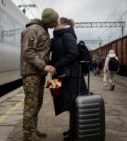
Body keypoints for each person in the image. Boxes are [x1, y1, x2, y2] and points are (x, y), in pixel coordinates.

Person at [20, 8, 58, 141]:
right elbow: (28, 51)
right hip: (31, 73)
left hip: (39, 73)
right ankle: (28, 135)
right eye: (54, 21)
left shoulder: (44, 30)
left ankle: (33, 130)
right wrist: (44, 66)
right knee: (31, 104)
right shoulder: (33, 30)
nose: (56, 23)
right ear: (48, 21)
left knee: (37, 103)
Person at [50, 17, 88, 141]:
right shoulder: (58, 36)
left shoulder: (67, 35)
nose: (56, 24)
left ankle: (75, 132)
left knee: (73, 105)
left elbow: (74, 53)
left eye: (58, 22)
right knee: (64, 102)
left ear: (64, 24)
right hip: (61, 75)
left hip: (70, 77)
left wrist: (56, 65)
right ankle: (73, 130)